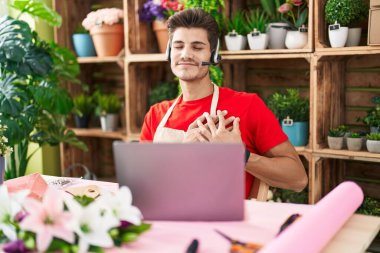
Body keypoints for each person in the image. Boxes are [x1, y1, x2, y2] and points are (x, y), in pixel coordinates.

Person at [140, 8, 308, 198]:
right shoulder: (156, 115)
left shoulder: (247, 106)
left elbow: (298, 179)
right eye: (178, 46)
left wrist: (240, 156)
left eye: (197, 47)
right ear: (169, 52)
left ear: (213, 54)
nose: (186, 54)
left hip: (224, 225)